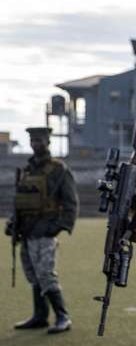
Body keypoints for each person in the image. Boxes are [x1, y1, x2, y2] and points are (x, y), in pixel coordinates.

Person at [6, 127, 78, 334]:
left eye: (39, 140)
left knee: (46, 274)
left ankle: (63, 316)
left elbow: (71, 202)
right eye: (32, 140)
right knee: (33, 275)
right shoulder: (27, 170)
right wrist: (14, 223)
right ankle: (40, 316)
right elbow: (20, 201)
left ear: (48, 141)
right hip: (27, 231)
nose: (35, 143)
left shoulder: (58, 169)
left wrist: (58, 227)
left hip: (45, 230)